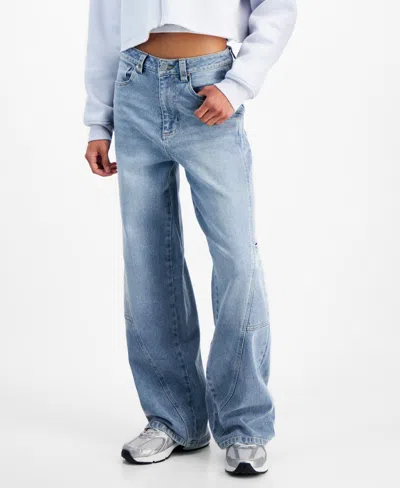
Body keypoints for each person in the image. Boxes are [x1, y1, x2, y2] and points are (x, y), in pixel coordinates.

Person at [84, 0, 296, 476]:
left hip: (208, 89)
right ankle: (173, 419)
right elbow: (104, 21)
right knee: (146, 263)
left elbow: (277, 8)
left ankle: (244, 426)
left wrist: (237, 85)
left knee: (238, 261)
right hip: (134, 86)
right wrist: (99, 120)